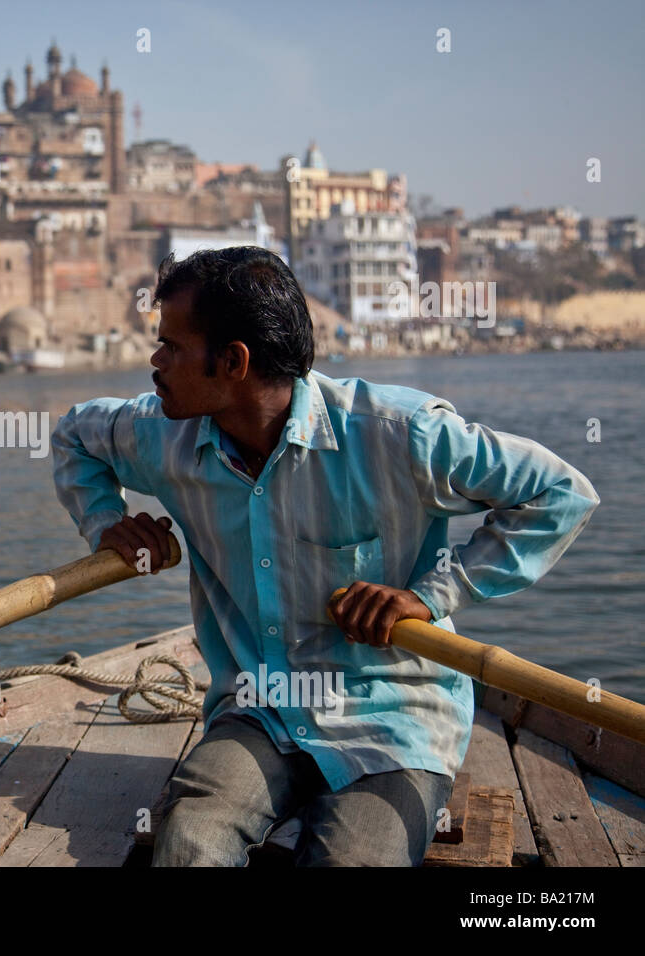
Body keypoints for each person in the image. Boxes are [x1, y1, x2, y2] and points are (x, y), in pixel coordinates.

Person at [50, 247, 600, 867]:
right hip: (259, 710)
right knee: (189, 841)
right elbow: (73, 436)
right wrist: (108, 524)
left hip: (392, 718)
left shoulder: (399, 435)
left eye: (172, 347)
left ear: (234, 362)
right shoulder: (161, 433)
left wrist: (430, 596)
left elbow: (560, 493)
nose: (154, 362)